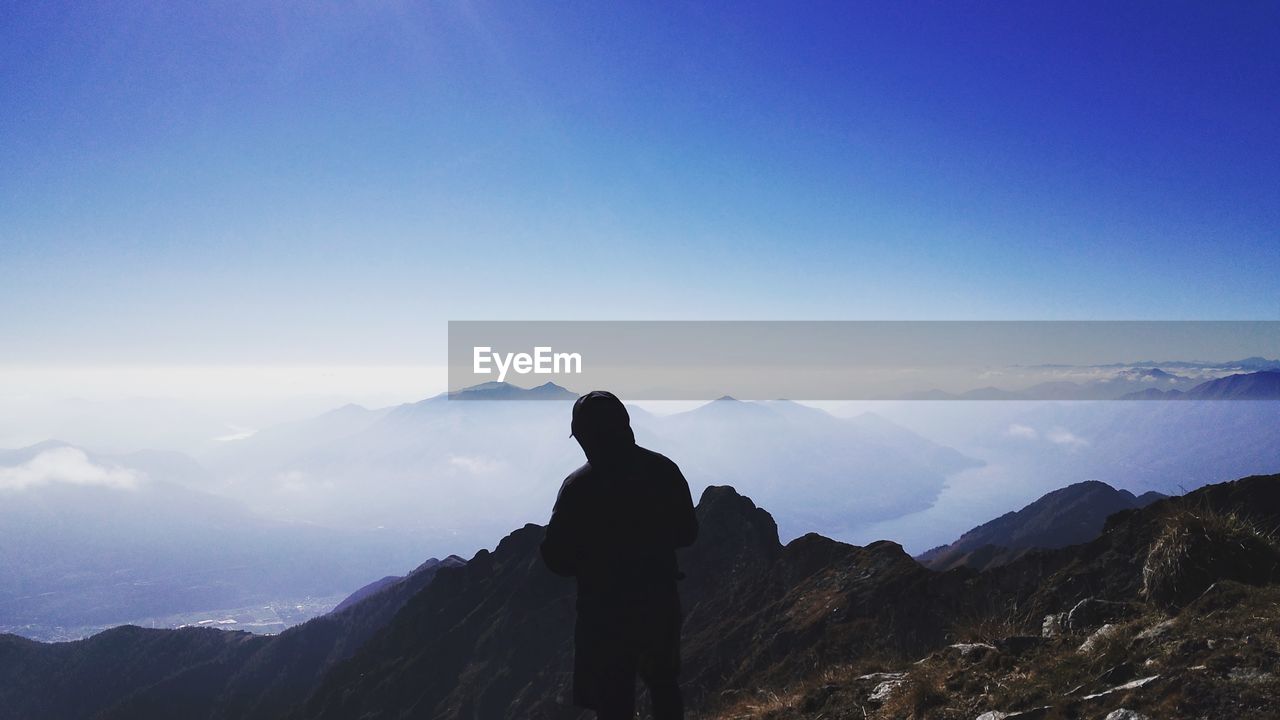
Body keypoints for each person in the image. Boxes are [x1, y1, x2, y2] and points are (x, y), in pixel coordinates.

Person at [540, 390, 699, 720]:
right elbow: (688, 533)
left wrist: (591, 560)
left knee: (612, 700)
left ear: (585, 436)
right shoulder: (663, 470)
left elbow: (555, 557)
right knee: (664, 686)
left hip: (603, 613)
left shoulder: (578, 488)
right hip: (658, 600)